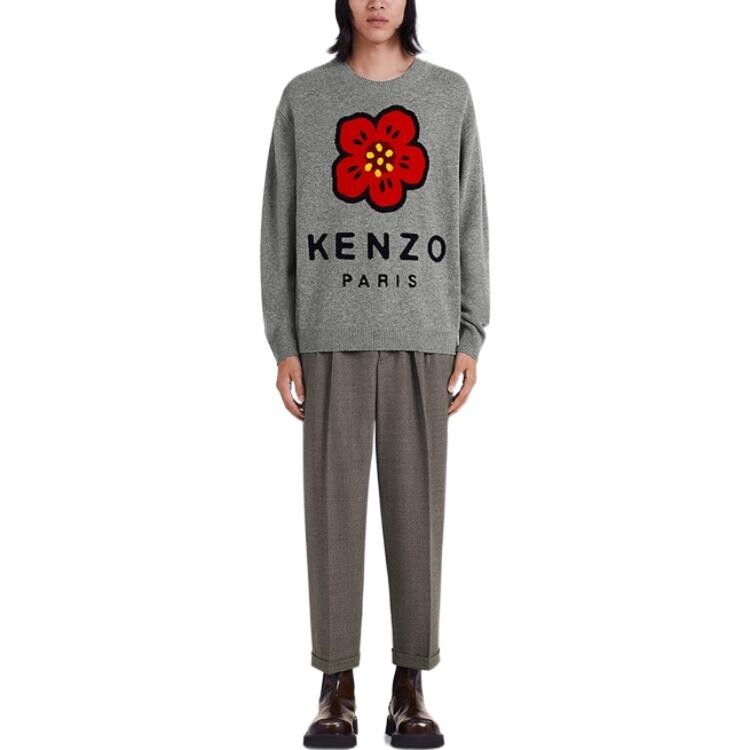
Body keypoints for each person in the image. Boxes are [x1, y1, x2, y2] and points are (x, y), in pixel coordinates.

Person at [260, 1, 490, 746]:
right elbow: (278, 222)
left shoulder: (448, 96)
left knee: (417, 515)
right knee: (332, 515)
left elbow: (469, 216)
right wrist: (284, 339)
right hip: (329, 335)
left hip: (425, 333)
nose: (378, 2)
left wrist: (471, 331)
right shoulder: (305, 97)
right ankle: (336, 686)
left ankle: (410, 683)